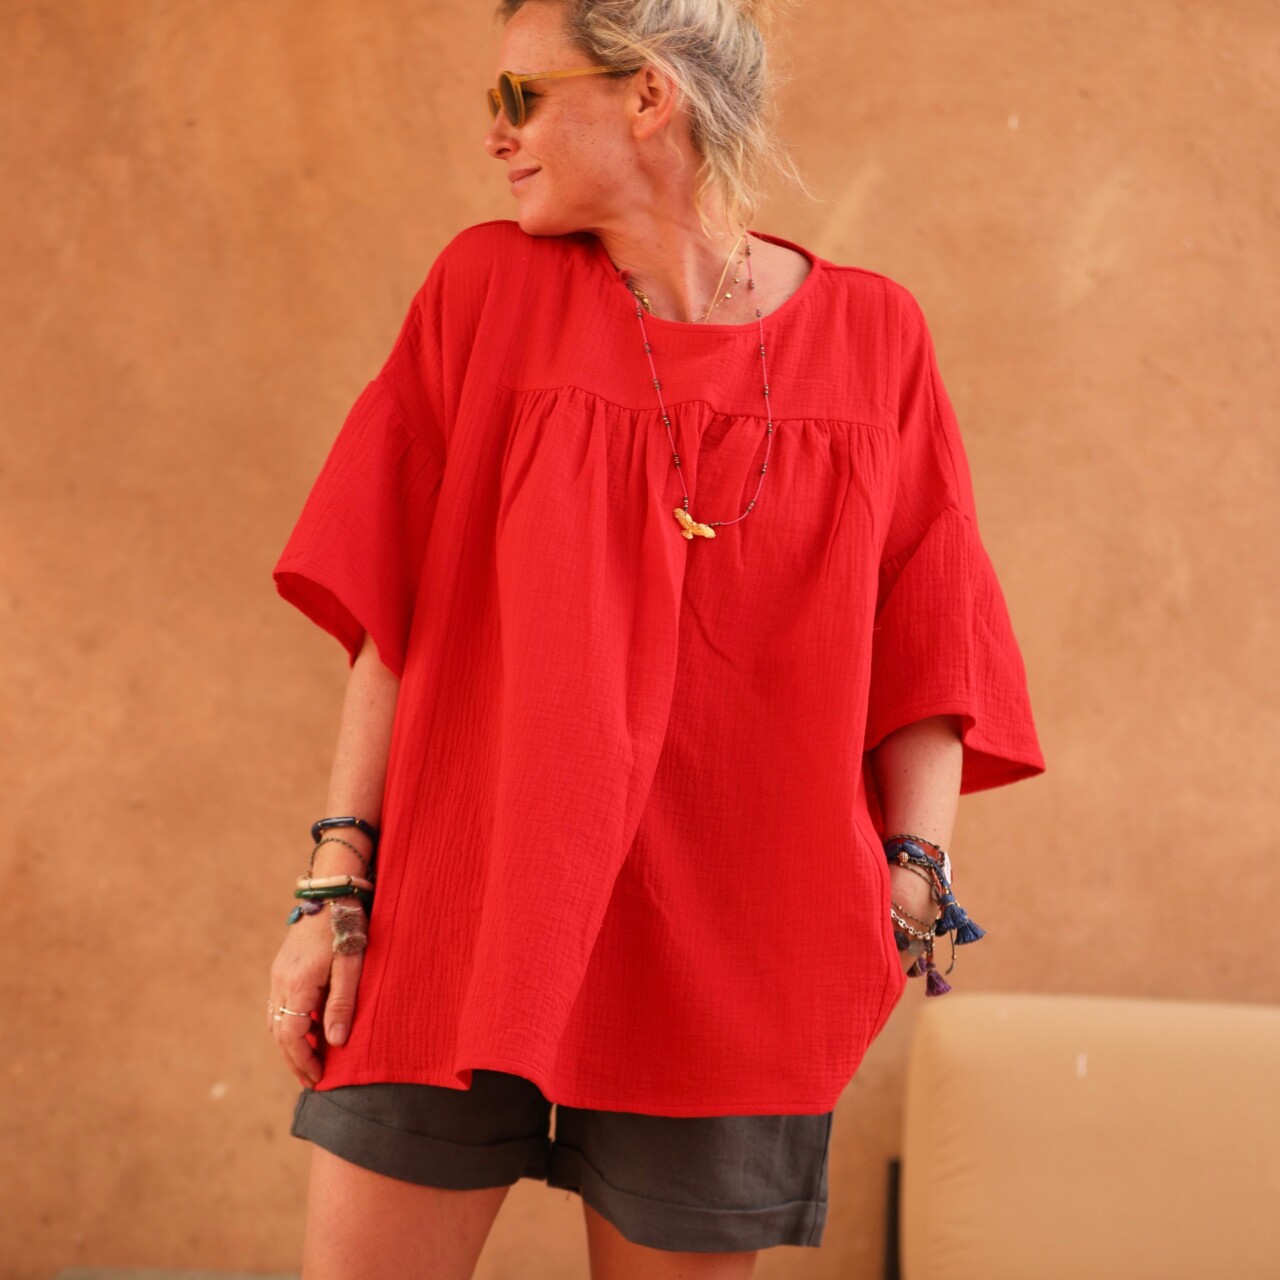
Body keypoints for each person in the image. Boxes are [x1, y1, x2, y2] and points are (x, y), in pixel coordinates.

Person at [267, 0, 1045, 1276]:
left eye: (519, 98)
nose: (493, 134)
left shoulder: (874, 337)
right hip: (461, 906)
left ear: (646, 96)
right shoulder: (484, 292)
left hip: (739, 943)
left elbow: (931, 635)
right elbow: (391, 615)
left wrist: (909, 880)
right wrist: (334, 886)